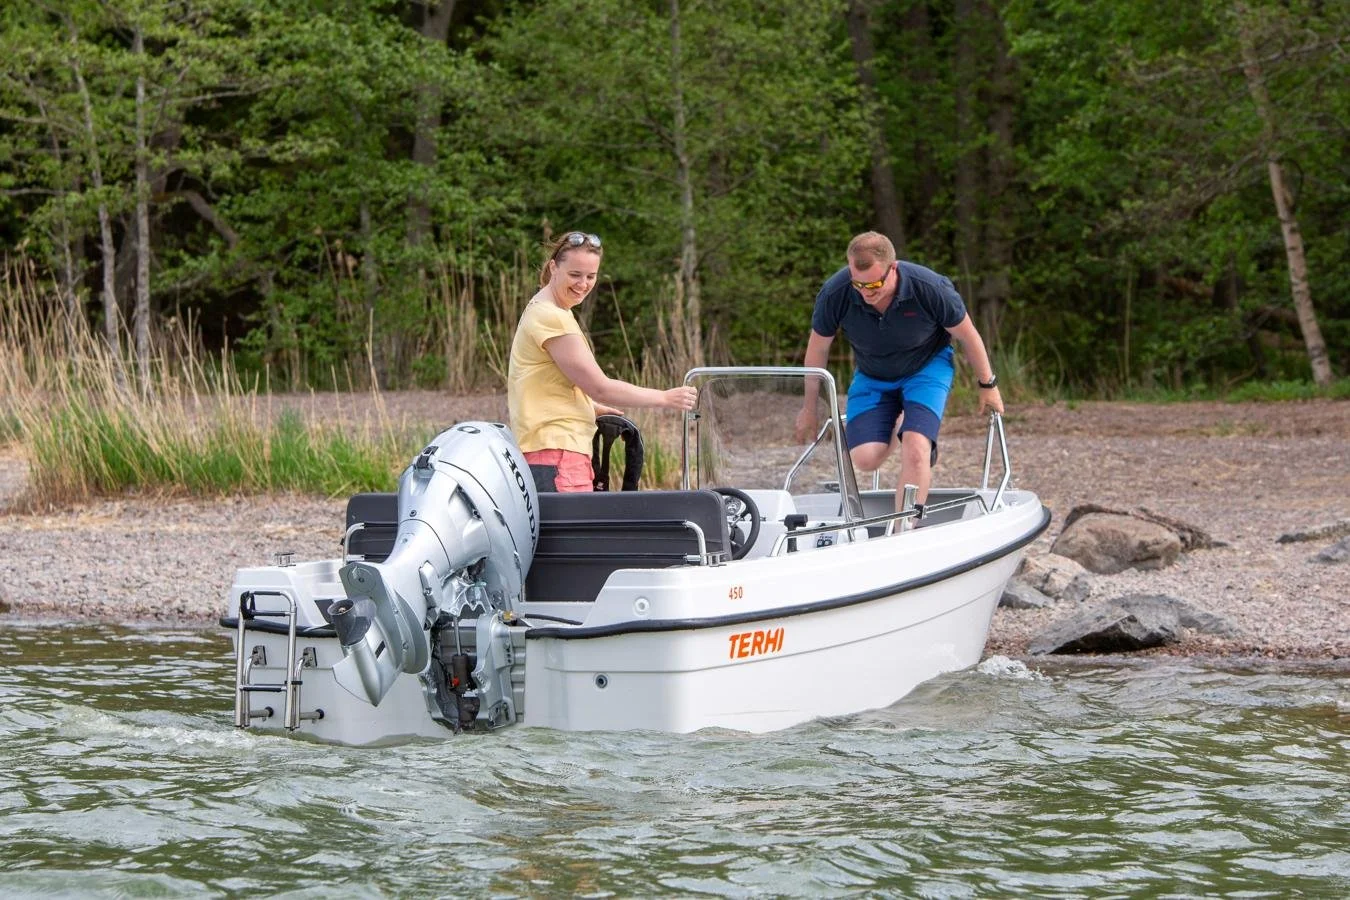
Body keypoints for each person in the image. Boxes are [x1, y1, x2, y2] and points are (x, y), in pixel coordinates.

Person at [794, 232, 1004, 512]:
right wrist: (809, 408)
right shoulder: (836, 293)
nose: (867, 292)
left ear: (894, 268)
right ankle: (902, 420)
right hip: (872, 374)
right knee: (866, 459)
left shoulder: (929, 287)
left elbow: (968, 336)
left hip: (926, 369)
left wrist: (987, 384)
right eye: (859, 284)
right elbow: (817, 350)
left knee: (916, 449)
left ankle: (904, 529)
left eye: (875, 284)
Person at [507, 231, 698, 493]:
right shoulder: (551, 317)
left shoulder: (543, 310)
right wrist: (665, 398)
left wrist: (588, 407)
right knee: (576, 535)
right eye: (575, 275)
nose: (583, 284)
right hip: (558, 456)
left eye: (591, 276)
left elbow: (541, 381)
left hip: (551, 453)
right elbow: (600, 387)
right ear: (553, 267)